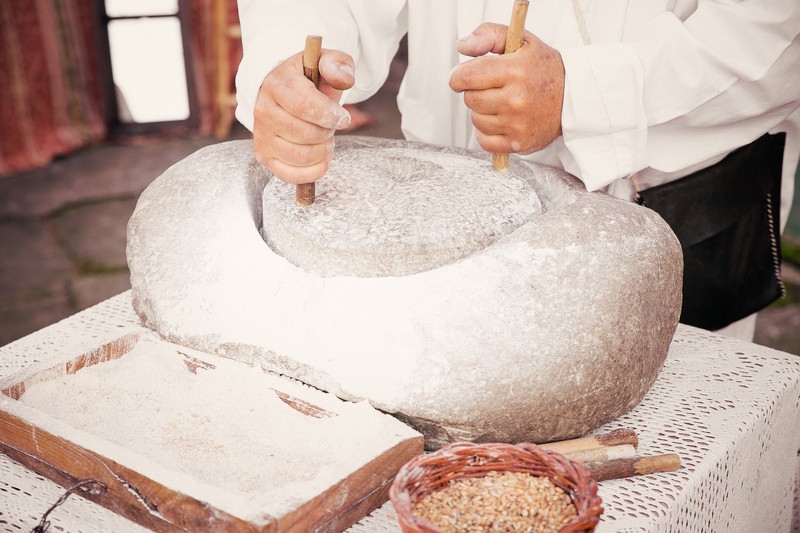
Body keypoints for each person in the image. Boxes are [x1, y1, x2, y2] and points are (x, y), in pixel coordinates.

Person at [234, 1, 800, 341]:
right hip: (452, 201)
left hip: (673, 211)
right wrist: (288, 59)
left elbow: (777, 32)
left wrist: (582, 96)